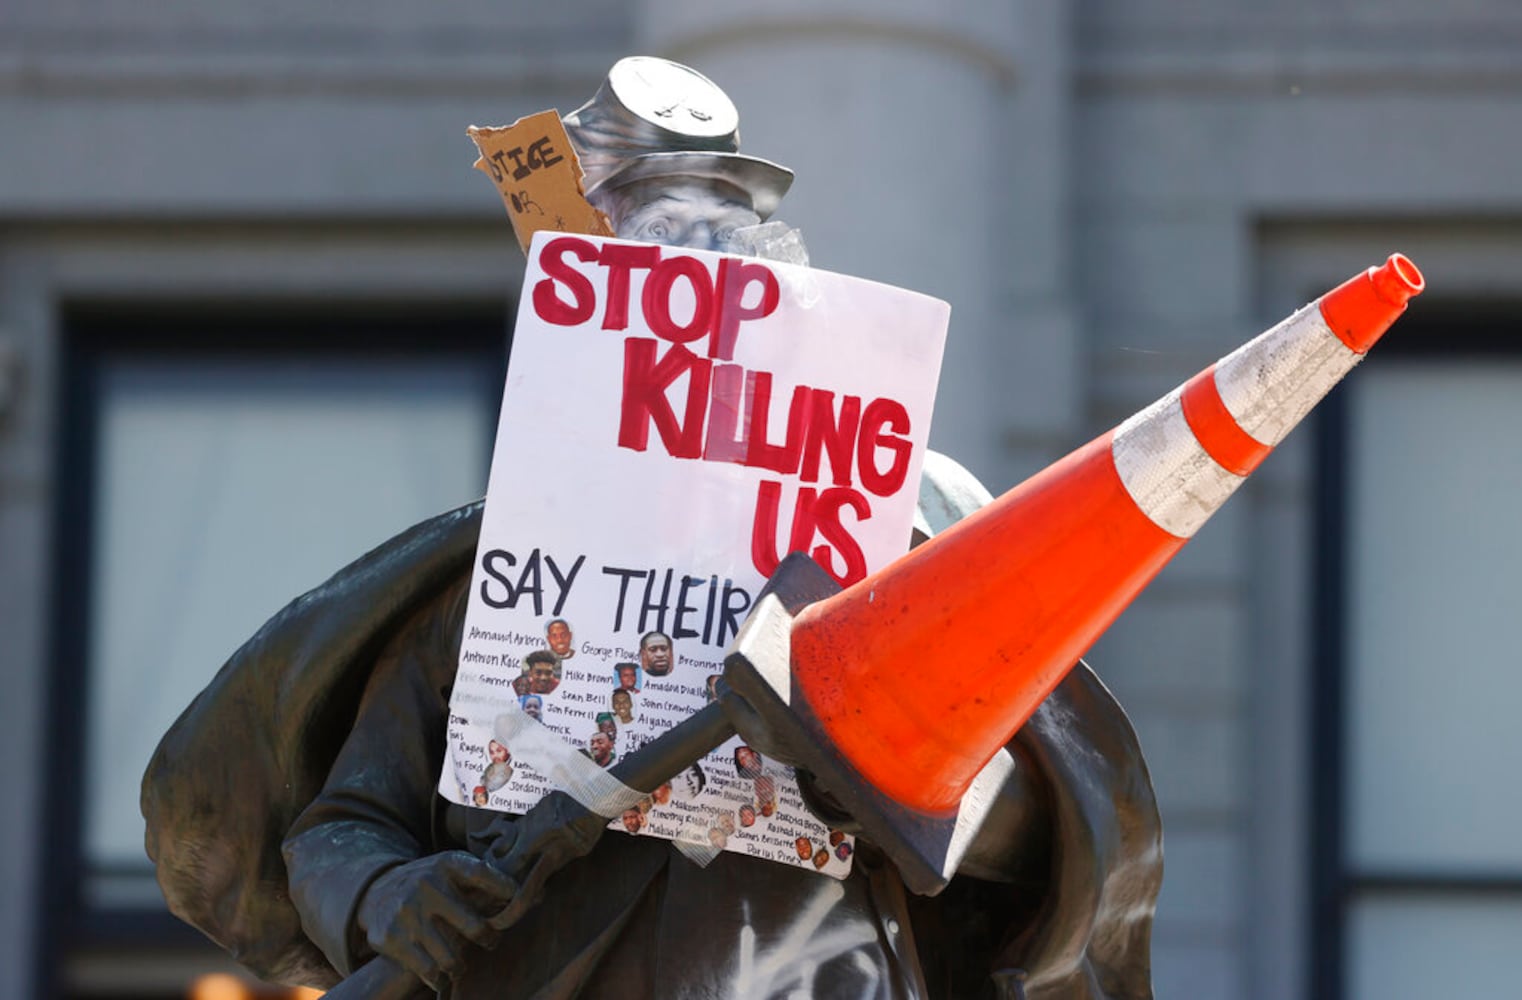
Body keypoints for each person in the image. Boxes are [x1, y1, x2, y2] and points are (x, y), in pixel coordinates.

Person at [144, 57, 1161, 1000]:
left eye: (721, 264)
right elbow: (342, 824)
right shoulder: (496, 580)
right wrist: (381, 897)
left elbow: (1043, 838)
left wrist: (881, 762)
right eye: (656, 262)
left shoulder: (897, 550)